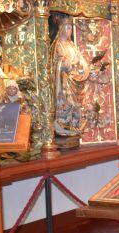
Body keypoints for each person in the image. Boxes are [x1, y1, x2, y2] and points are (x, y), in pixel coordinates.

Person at [52, 18, 90, 147]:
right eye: (67, 27)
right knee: (66, 103)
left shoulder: (72, 45)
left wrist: (84, 68)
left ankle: (73, 126)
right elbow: (56, 63)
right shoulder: (58, 45)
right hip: (64, 80)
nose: (69, 30)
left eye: (70, 28)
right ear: (61, 28)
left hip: (74, 79)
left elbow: (80, 60)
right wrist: (64, 64)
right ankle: (63, 125)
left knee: (76, 105)